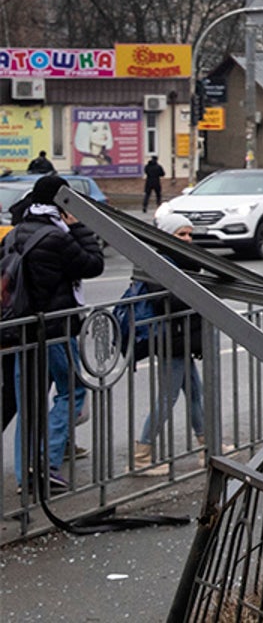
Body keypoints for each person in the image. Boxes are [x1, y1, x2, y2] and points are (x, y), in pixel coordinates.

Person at [8, 175, 107, 494]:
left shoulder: (16, 232)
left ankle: (26, 477)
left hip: (22, 330)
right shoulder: (57, 235)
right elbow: (93, 265)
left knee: (29, 404)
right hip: (54, 329)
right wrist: (79, 226)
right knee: (73, 390)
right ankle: (46, 464)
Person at [131, 215, 204, 476]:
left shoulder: (182, 262)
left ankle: (208, 446)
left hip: (181, 338)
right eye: (180, 234)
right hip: (169, 340)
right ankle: (141, 457)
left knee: (195, 393)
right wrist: (198, 293)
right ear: (166, 236)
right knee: (167, 397)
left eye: (189, 234)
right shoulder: (158, 262)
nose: (187, 239)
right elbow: (169, 301)